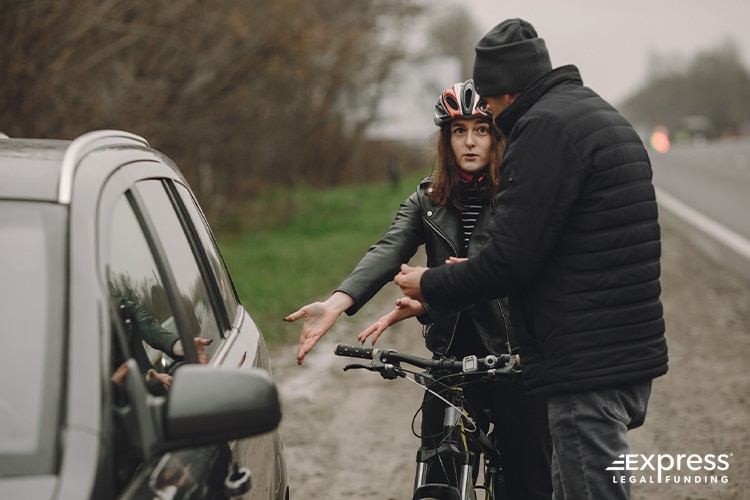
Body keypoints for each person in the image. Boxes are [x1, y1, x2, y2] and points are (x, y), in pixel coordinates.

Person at [394, 18, 669, 500]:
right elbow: (552, 247)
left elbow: (510, 260)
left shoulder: (543, 129)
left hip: (584, 364)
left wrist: (431, 286)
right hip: (622, 351)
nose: (492, 124)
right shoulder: (597, 114)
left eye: (491, 105)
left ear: (503, 93)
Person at [285, 79, 551, 499]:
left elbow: (523, 269)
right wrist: (336, 304)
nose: (470, 141)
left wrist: (442, 286)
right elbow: (387, 250)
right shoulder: (427, 198)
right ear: (446, 140)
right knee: (437, 479)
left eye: (481, 129)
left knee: (528, 484)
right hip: (449, 360)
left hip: (514, 356)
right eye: (458, 130)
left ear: (497, 135)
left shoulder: (519, 197)